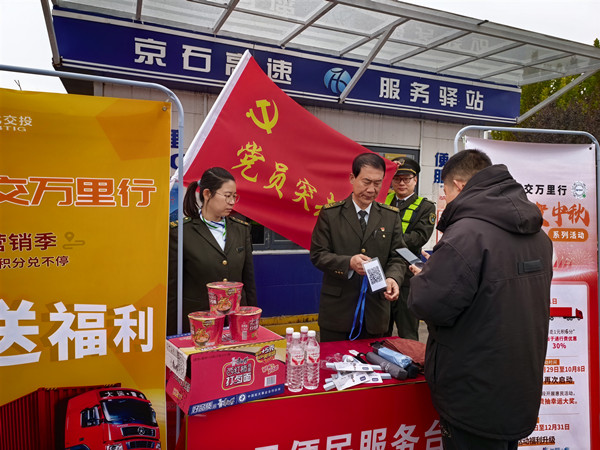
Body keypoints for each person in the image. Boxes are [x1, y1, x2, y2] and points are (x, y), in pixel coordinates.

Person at [407, 150, 553, 449]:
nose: (446, 199)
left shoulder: (467, 234)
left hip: (472, 387)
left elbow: (427, 303)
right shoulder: (539, 235)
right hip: (519, 383)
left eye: (446, 191)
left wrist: (425, 277)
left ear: (459, 186)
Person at [310, 152, 407, 342]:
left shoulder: (390, 216)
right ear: (352, 178)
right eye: (366, 182)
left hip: (376, 312)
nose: (371, 189)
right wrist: (349, 263)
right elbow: (318, 255)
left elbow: (398, 256)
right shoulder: (331, 215)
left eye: (377, 183)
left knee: (373, 359)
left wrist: (393, 278)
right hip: (337, 312)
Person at [167, 167, 257, 335]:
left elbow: (249, 282)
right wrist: (172, 335)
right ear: (207, 194)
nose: (232, 202)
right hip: (199, 326)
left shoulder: (241, 229)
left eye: (234, 196)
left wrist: (251, 320)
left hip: (235, 323)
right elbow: (172, 289)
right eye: (227, 196)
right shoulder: (181, 232)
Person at [384, 157, 435, 340]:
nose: (402, 183)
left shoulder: (425, 207)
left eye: (406, 179)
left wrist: (386, 238)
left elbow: (419, 237)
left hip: (407, 276)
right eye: (397, 179)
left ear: (415, 180)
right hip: (382, 273)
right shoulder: (382, 201)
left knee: (407, 333)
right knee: (379, 330)